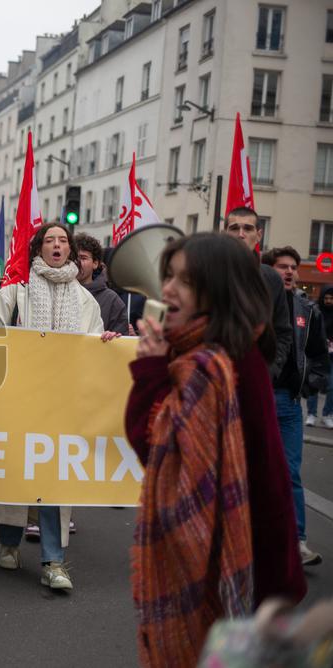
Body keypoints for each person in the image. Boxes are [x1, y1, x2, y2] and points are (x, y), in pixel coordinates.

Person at [124, 233, 305, 667]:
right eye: (168, 275)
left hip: (239, 571)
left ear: (218, 289)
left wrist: (150, 369)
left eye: (184, 280)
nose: (166, 289)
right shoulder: (222, 351)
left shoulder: (211, 365)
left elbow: (157, 447)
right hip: (256, 565)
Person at [0, 223, 114, 592]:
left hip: (62, 406)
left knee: (53, 481)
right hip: (20, 402)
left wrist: (107, 344)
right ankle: (9, 541)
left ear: (70, 250)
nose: (57, 245)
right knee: (16, 476)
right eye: (50, 240)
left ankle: (53, 561)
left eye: (63, 241)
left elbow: (93, 348)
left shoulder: (86, 301)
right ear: (38, 248)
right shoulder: (14, 294)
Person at [261, 246, 327, 565]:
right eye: (281, 266)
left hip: (288, 403)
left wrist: (312, 381)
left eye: (293, 267)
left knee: (290, 474)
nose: (289, 272)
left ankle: (297, 542)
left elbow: (318, 354)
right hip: (257, 399)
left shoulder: (307, 310)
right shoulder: (255, 305)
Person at [224, 207, 293, 379]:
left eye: (247, 228)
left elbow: (282, 331)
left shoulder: (271, 278)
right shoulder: (206, 272)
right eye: (234, 228)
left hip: (256, 379)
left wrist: (269, 370)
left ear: (259, 235)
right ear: (224, 233)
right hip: (212, 378)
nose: (241, 234)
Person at [75, 233, 128, 335]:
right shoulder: (59, 291)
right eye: (73, 257)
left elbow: (120, 341)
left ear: (95, 263)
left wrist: (112, 337)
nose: (77, 262)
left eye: (83, 258)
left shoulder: (112, 300)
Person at [307, 285, 333, 428]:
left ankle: (327, 414)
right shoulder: (316, 311)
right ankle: (311, 414)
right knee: (314, 383)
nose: (328, 301)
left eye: (331, 298)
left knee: (332, 386)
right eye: (326, 298)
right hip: (317, 354)